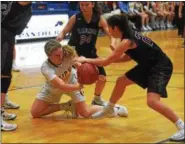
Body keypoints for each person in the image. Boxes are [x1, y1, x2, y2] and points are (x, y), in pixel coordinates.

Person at [76, 14, 184, 141]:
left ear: (115, 28)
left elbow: (105, 63)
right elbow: (127, 57)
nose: (108, 32)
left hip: (160, 66)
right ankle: (109, 109)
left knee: (152, 101)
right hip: (148, 64)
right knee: (121, 81)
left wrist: (85, 59)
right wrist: (110, 58)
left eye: (109, 29)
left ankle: (182, 126)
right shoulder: (130, 34)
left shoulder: (126, 41)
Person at [30, 39, 128, 119]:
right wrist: (79, 86)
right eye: (57, 55)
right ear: (49, 55)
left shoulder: (67, 54)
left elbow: (79, 65)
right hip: (54, 87)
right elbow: (61, 85)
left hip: (72, 81)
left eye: (61, 53)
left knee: (86, 113)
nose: (61, 56)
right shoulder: (46, 68)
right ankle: (67, 106)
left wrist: (92, 74)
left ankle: (114, 108)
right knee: (35, 113)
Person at [56, 2, 116, 107]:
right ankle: (72, 100)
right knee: (78, 77)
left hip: (90, 53)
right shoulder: (75, 18)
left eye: (86, 5)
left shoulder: (99, 19)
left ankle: (97, 99)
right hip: (74, 53)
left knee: (102, 78)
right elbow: (64, 31)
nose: (83, 7)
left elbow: (110, 33)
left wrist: (113, 43)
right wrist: (60, 37)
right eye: (81, 5)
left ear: (92, 4)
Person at [1, 1, 32, 131]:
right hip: (3, 34)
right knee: (3, 76)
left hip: (7, 35)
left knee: (5, 75)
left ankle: (2, 108)